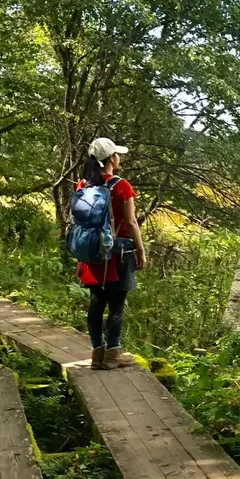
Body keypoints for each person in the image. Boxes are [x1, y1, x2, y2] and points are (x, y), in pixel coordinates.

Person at [77, 137, 147, 369]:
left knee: (96, 302)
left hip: (92, 251)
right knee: (116, 305)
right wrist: (141, 250)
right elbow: (131, 222)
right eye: (117, 154)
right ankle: (113, 354)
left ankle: (98, 352)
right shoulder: (121, 186)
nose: (119, 158)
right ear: (111, 159)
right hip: (119, 252)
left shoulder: (83, 185)